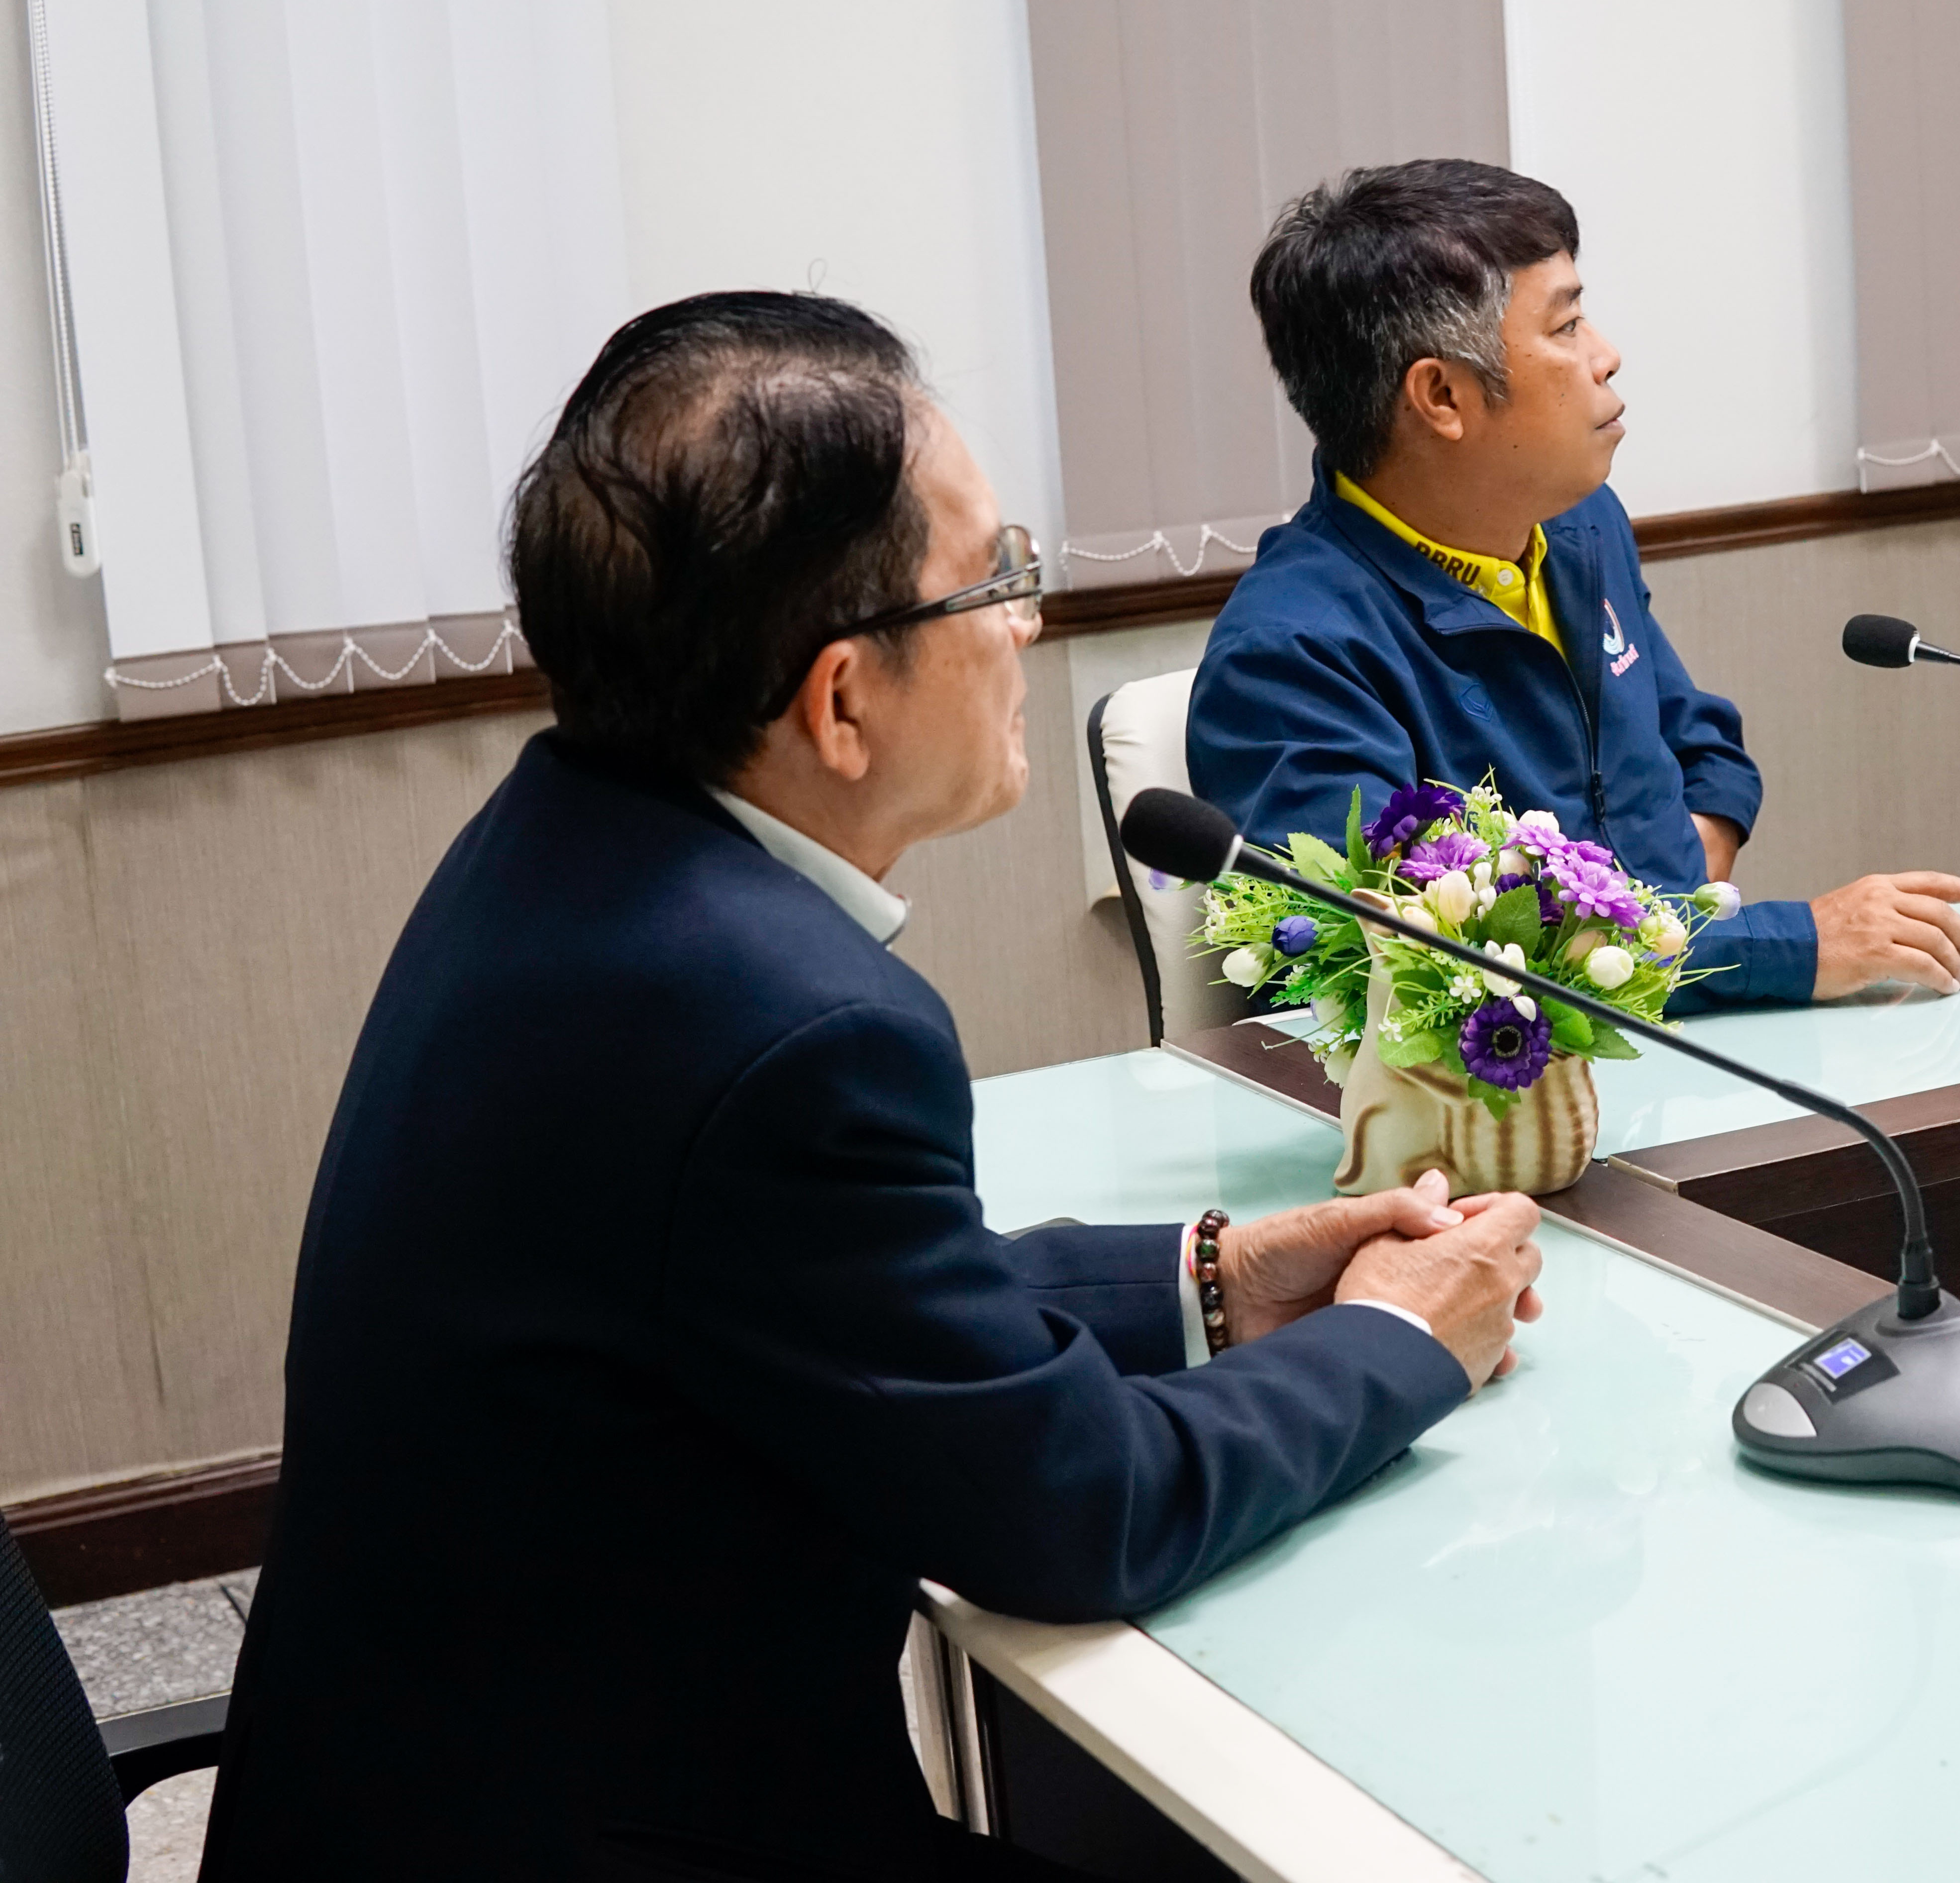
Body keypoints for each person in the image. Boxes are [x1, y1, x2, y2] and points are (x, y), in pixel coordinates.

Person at [201, 294, 1545, 1883]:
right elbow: (1079, 1513)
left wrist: (1210, 1278)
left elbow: (802, 1290)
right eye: (997, 576)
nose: (1027, 622)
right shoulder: (787, 1024)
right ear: (841, 701)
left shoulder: (569, 842)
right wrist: (1403, 1339)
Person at [1187, 159, 1960, 1008]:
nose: (1607, 356)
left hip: (1685, 1028)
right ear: (1443, 396)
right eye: (1567, 327)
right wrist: (1781, 947)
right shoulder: (1291, 654)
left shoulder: (1577, 523)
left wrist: (1690, 877)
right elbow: (1420, 960)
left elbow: (1694, 738)